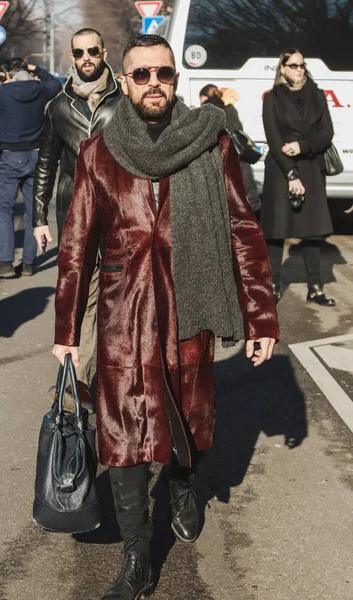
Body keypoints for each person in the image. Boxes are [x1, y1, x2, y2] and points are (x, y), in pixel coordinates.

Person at [52, 34, 279, 600]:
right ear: (124, 82)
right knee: (123, 425)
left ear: (176, 79)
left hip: (191, 300)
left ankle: (182, 482)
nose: (156, 83)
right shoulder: (98, 152)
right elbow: (76, 247)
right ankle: (137, 555)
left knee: (191, 414)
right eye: (143, 74)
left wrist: (261, 316)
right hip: (124, 307)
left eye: (165, 74)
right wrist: (65, 331)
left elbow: (242, 229)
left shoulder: (211, 142)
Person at [33, 27, 121, 390]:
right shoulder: (57, 107)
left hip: (119, 208)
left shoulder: (125, 98)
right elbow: (46, 163)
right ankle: (77, 383)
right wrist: (39, 218)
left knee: (118, 296)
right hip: (73, 209)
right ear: (72, 57)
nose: (86, 58)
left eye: (92, 52)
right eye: (79, 53)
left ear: (104, 53)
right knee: (80, 293)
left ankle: (115, 376)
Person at [261, 48, 335, 306]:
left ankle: (315, 287)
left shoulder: (317, 95)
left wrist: (302, 146)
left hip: (312, 168)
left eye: (302, 65)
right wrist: (291, 173)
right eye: (293, 65)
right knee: (276, 231)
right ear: (281, 68)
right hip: (282, 169)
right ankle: (272, 287)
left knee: (312, 232)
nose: (299, 69)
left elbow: (327, 133)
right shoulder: (272, 98)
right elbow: (273, 138)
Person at [0, 58, 61, 279]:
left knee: (5, 210)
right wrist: (39, 70)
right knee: (33, 212)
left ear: (9, 74)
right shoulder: (41, 88)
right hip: (36, 155)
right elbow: (56, 84)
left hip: (10, 155)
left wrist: (3, 84)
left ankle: (5, 261)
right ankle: (28, 263)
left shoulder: (5, 91)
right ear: (27, 70)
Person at [199, 84, 261, 214]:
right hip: (241, 163)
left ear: (203, 97)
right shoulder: (230, 109)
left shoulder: (205, 112)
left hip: (221, 167)